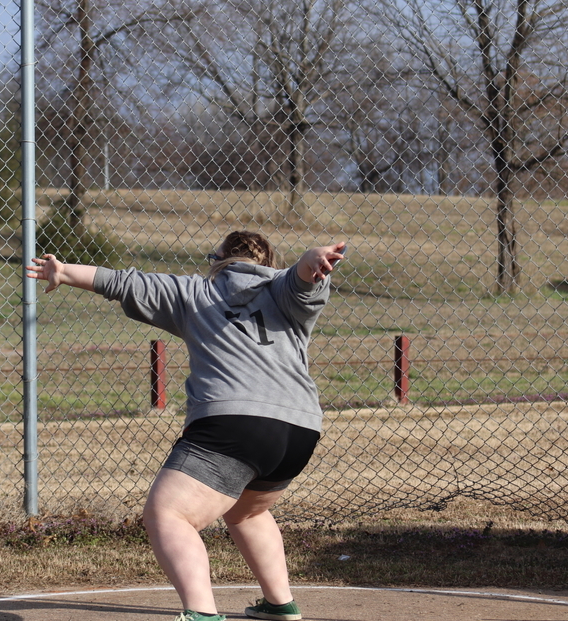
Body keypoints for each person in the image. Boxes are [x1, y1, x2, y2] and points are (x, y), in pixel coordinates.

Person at [26, 230, 346, 621]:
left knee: (168, 514)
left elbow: (124, 282)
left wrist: (63, 271)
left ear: (219, 260)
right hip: (299, 430)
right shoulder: (280, 287)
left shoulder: (196, 291)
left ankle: (202, 614)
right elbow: (304, 283)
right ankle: (280, 605)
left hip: (234, 423)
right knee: (246, 511)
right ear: (269, 264)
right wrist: (312, 262)